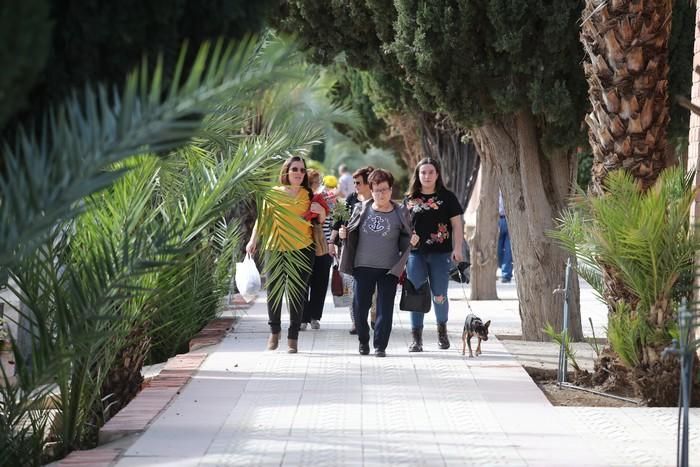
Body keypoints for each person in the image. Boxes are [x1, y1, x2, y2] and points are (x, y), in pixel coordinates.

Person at [246, 156, 326, 353]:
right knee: (274, 293)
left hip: (303, 250)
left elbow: (321, 221)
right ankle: (274, 331)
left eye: (301, 170)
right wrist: (253, 240)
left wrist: (320, 211)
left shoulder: (309, 195)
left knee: (297, 295)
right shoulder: (273, 194)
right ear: (286, 172)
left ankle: (293, 336)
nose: (299, 173)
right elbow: (262, 220)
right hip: (276, 249)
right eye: (295, 169)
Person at [339, 169, 412, 357]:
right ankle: (363, 340)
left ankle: (380, 346)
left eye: (385, 189)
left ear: (391, 189)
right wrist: (342, 235)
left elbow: (407, 237)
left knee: (385, 309)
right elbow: (349, 232)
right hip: (362, 267)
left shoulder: (401, 213)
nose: (381, 194)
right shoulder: (360, 209)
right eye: (377, 190)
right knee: (359, 306)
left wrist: (414, 241)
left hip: (389, 269)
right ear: (370, 190)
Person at [404, 158, 464, 352]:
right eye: (423, 172)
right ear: (418, 175)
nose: (427, 176)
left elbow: (457, 225)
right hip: (415, 255)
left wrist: (458, 248)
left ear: (437, 174)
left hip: (441, 254)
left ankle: (442, 333)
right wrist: (407, 239)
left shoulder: (447, 197)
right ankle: (416, 339)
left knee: (439, 295)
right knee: (415, 294)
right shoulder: (409, 198)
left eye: (431, 172)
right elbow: (402, 227)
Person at [330, 166, 374, 334]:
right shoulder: (351, 199)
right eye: (354, 182)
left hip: (371, 254)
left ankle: (373, 319)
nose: (355, 185)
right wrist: (331, 241)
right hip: (349, 251)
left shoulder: (377, 202)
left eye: (358, 183)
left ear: (368, 184)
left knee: (371, 291)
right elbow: (339, 221)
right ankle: (356, 322)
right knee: (351, 288)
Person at [300, 169, 336, 330]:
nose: (319, 185)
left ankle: (315, 316)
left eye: (320, 182)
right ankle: (302, 317)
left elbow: (334, 221)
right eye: (316, 182)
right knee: (302, 283)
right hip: (303, 246)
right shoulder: (300, 200)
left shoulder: (328, 199)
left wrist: (331, 243)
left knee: (320, 283)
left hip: (323, 246)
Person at [497, 191, 513, 283]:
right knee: (497, 250)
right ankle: (500, 267)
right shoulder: (494, 189)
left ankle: (506, 275)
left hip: (509, 220)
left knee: (508, 250)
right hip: (498, 220)